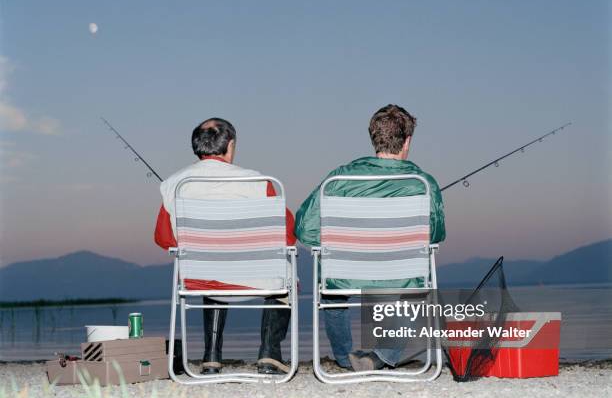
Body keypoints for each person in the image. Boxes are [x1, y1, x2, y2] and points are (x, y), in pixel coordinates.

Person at [295, 104, 446, 371]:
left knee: (330, 287)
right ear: (407, 141)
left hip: (345, 273)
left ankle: (345, 357)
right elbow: (435, 236)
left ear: (373, 137)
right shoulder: (423, 183)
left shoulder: (338, 179)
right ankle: (381, 355)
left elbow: (304, 229)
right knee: (417, 281)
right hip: (402, 274)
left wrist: (339, 245)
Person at [154, 118, 296, 375]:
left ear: (197, 147)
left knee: (209, 266)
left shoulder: (173, 184)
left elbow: (164, 238)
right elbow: (286, 235)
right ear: (230, 146)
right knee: (287, 273)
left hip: (198, 280)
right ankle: (269, 354)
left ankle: (211, 358)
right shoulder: (258, 181)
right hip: (254, 278)